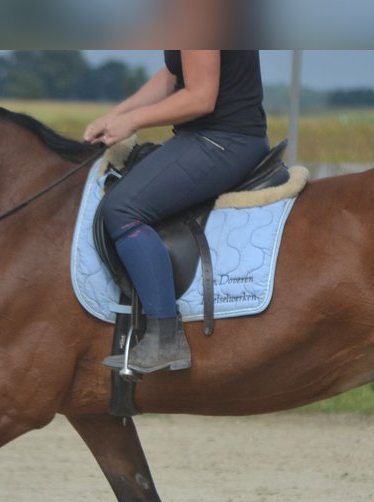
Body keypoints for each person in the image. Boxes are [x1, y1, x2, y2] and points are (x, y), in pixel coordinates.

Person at [86, 50, 270, 373]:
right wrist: (116, 115)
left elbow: (201, 97)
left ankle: (164, 338)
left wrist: (133, 121)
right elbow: (172, 77)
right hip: (212, 137)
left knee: (121, 208)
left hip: (222, 140)